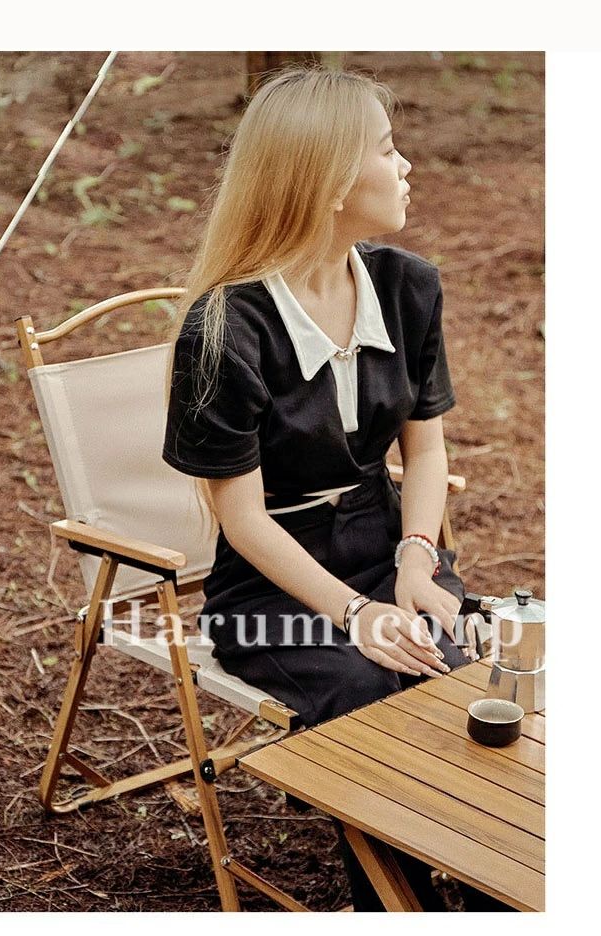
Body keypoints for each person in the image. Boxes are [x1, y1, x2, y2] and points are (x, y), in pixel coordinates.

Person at [161, 65, 508, 912]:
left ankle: (497, 886)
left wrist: (417, 562)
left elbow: (426, 449)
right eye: (387, 150)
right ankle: (395, 903)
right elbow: (240, 518)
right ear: (327, 182)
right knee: (365, 690)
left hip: (389, 550)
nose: (407, 165)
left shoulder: (409, 285)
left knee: (474, 671)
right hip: (273, 586)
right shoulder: (224, 329)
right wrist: (355, 615)